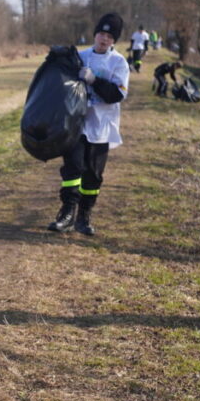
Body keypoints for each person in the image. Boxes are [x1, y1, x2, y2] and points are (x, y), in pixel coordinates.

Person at [48, 12, 130, 236]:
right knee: (73, 167)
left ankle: (84, 216)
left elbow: (117, 95)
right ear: (95, 34)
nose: (104, 39)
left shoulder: (119, 63)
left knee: (93, 175)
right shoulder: (82, 56)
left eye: (109, 36)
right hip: (77, 123)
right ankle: (66, 213)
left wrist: (94, 80)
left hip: (102, 126)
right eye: (101, 34)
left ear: (114, 41)